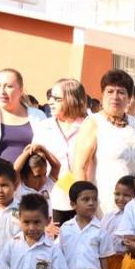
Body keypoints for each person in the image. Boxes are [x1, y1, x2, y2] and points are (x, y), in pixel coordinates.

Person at [73, 70, 135, 214]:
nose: (115, 97)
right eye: (110, 91)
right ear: (102, 95)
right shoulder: (93, 122)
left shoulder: (134, 123)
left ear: (129, 98)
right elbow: (79, 167)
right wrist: (86, 204)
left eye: (121, 92)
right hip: (104, 203)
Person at [31, 78, 88, 225]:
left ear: (72, 99)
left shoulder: (90, 125)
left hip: (86, 197)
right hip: (53, 197)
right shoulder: (44, 127)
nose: (50, 102)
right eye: (50, 97)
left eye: (56, 98)